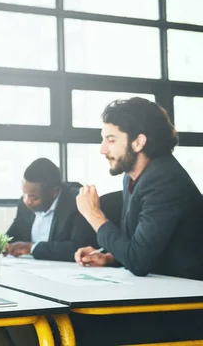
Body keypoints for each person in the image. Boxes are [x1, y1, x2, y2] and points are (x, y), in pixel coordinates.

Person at [72, 97, 203, 345]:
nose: (102, 149)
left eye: (111, 140)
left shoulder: (163, 178)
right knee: (71, 323)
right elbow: (140, 245)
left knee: (84, 330)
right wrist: (108, 257)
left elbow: (139, 260)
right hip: (159, 293)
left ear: (139, 142)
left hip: (185, 308)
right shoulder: (134, 176)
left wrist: (94, 215)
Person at [4, 158, 96, 261]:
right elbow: (12, 236)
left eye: (34, 198)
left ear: (55, 192)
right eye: (24, 194)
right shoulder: (25, 202)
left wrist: (31, 248)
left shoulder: (77, 202)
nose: (27, 201)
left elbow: (78, 248)